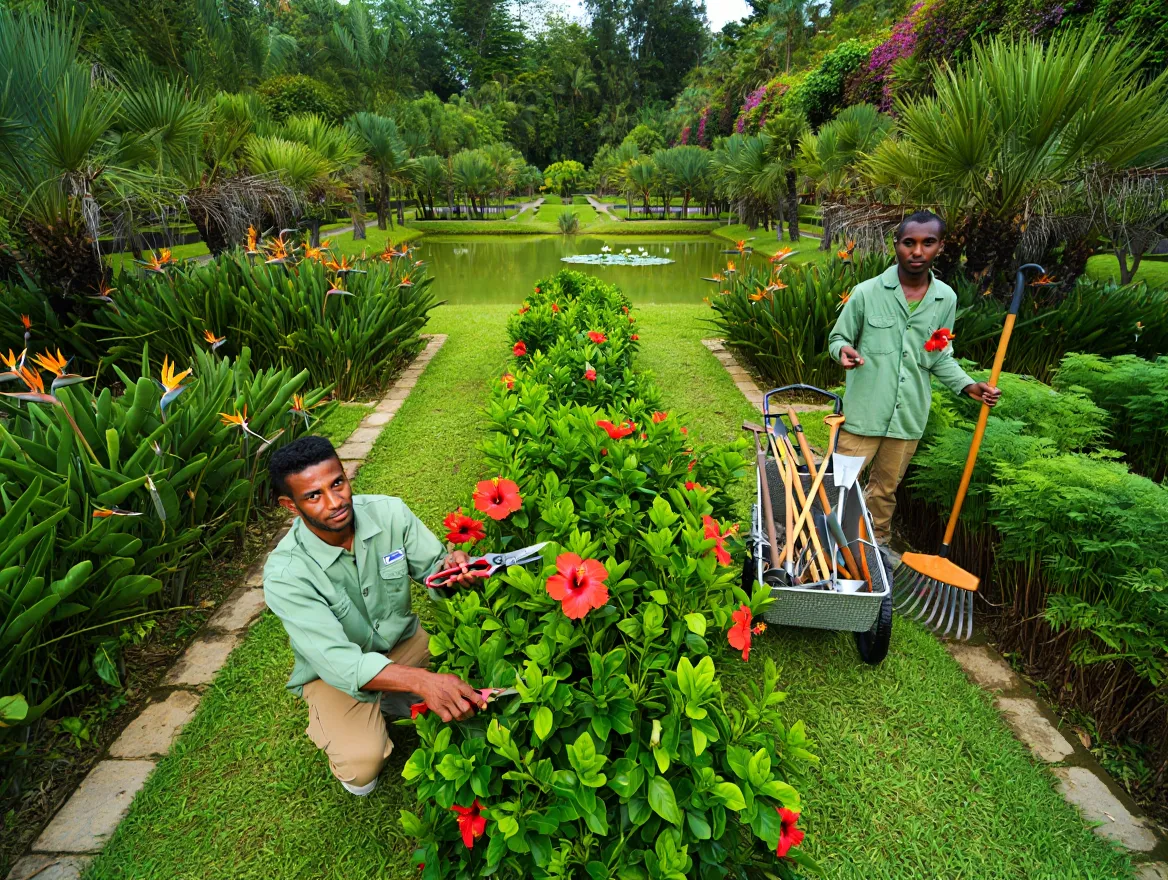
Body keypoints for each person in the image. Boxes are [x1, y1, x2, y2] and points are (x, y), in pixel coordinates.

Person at [263, 435, 486, 796]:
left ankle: (392, 697)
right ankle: (369, 711)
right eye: (314, 496)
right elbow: (339, 662)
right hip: (334, 675)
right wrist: (422, 682)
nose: (335, 501)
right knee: (362, 767)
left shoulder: (390, 513)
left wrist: (452, 571)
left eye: (338, 483)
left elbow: (433, 568)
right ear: (291, 505)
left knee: (477, 689)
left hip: (404, 644)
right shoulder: (285, 575)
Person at [827, 210, 1001, 559]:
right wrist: (843, 351)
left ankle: (875, 551)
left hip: (907, 418)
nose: (917, 251)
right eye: (909, 242)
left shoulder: (945, 299)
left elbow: (939, 355)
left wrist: (969, 385)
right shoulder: (867, 293)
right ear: (896, 245)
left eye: (928, 243)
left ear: (941, 247)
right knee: (838, 486)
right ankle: (824, 544)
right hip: (863, 414)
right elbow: (838, 338)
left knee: (885, 491)